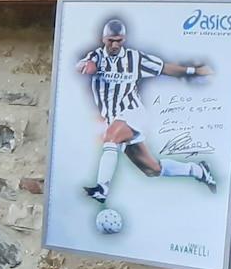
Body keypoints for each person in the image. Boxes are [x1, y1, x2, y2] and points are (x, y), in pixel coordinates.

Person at [77, 16, 216, 203]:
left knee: (110, 137)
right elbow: (81, 65)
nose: (115, 45)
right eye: (111, 41)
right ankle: (198, 170)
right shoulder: (96, 57)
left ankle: (102, 189)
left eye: (119, 41)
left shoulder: (135, 58)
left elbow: (164, 68)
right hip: (114, 119)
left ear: (124, 39)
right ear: (103, 39)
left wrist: (194, 71)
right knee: (152, 169)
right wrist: (85, 67)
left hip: (133, 112)